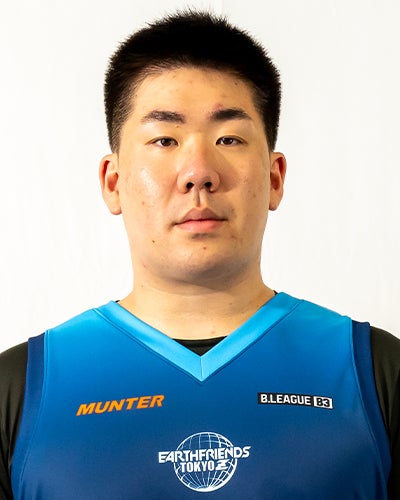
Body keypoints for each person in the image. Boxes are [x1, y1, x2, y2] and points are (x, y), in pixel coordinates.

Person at [0, 10, 399, 499]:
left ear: (274, 177)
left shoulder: (372, 373)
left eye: (228, 139)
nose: (198, 172)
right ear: (113, 181)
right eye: (164, 140)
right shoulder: (22, 389)